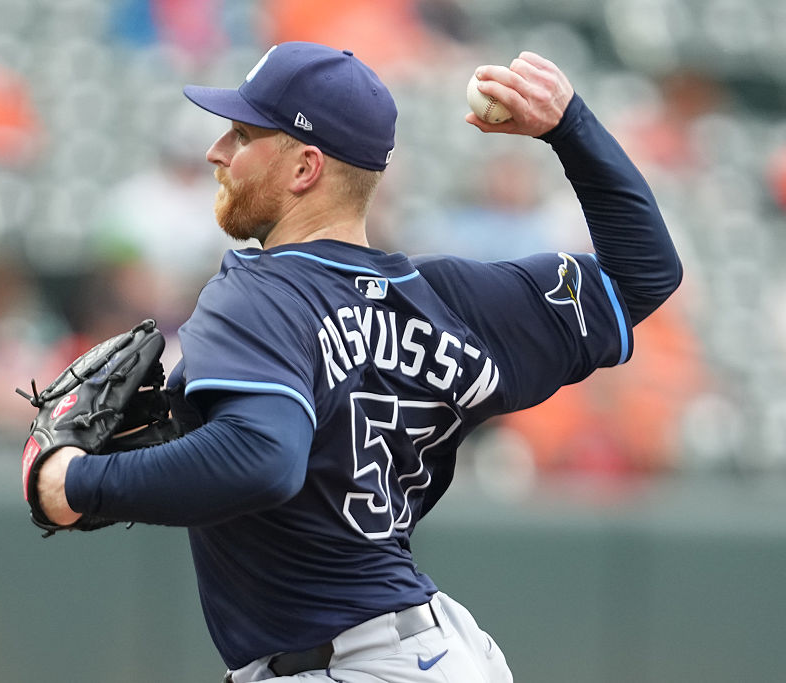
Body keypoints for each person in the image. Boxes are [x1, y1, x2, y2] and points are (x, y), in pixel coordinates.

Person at [33, 42, 682, 682]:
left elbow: (263, 458)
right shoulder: (450, 299)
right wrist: (572, 128)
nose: (216, 151)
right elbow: (643, 275)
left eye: (241, 134)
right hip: (431, 652)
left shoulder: (261, 292)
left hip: (355, 662)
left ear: (304, 168)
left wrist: (77, 484)